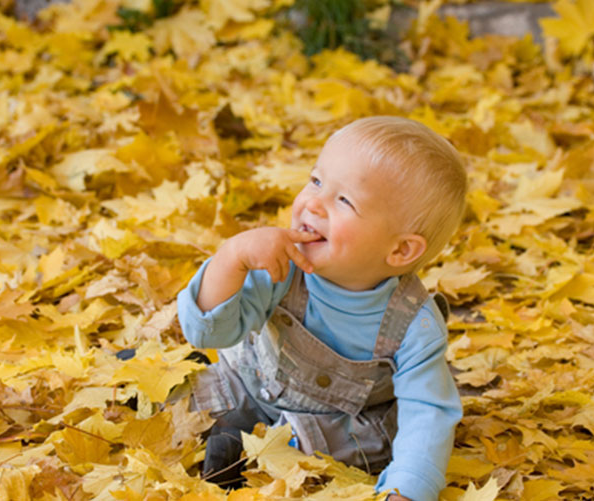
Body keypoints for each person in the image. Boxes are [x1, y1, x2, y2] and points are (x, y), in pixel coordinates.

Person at [176, 116, 466, 500]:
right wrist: (230, 259)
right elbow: (208, 332)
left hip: (334, 421)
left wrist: (408, 489)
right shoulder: (282, 265)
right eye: (316, 181)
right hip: (251, 382)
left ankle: (244, 454)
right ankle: (187, 404)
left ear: (400, 250)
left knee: (349, 442)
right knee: (192, 394)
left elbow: (427, 414)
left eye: (343, 200)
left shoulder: (413, 324)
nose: (313, 203)